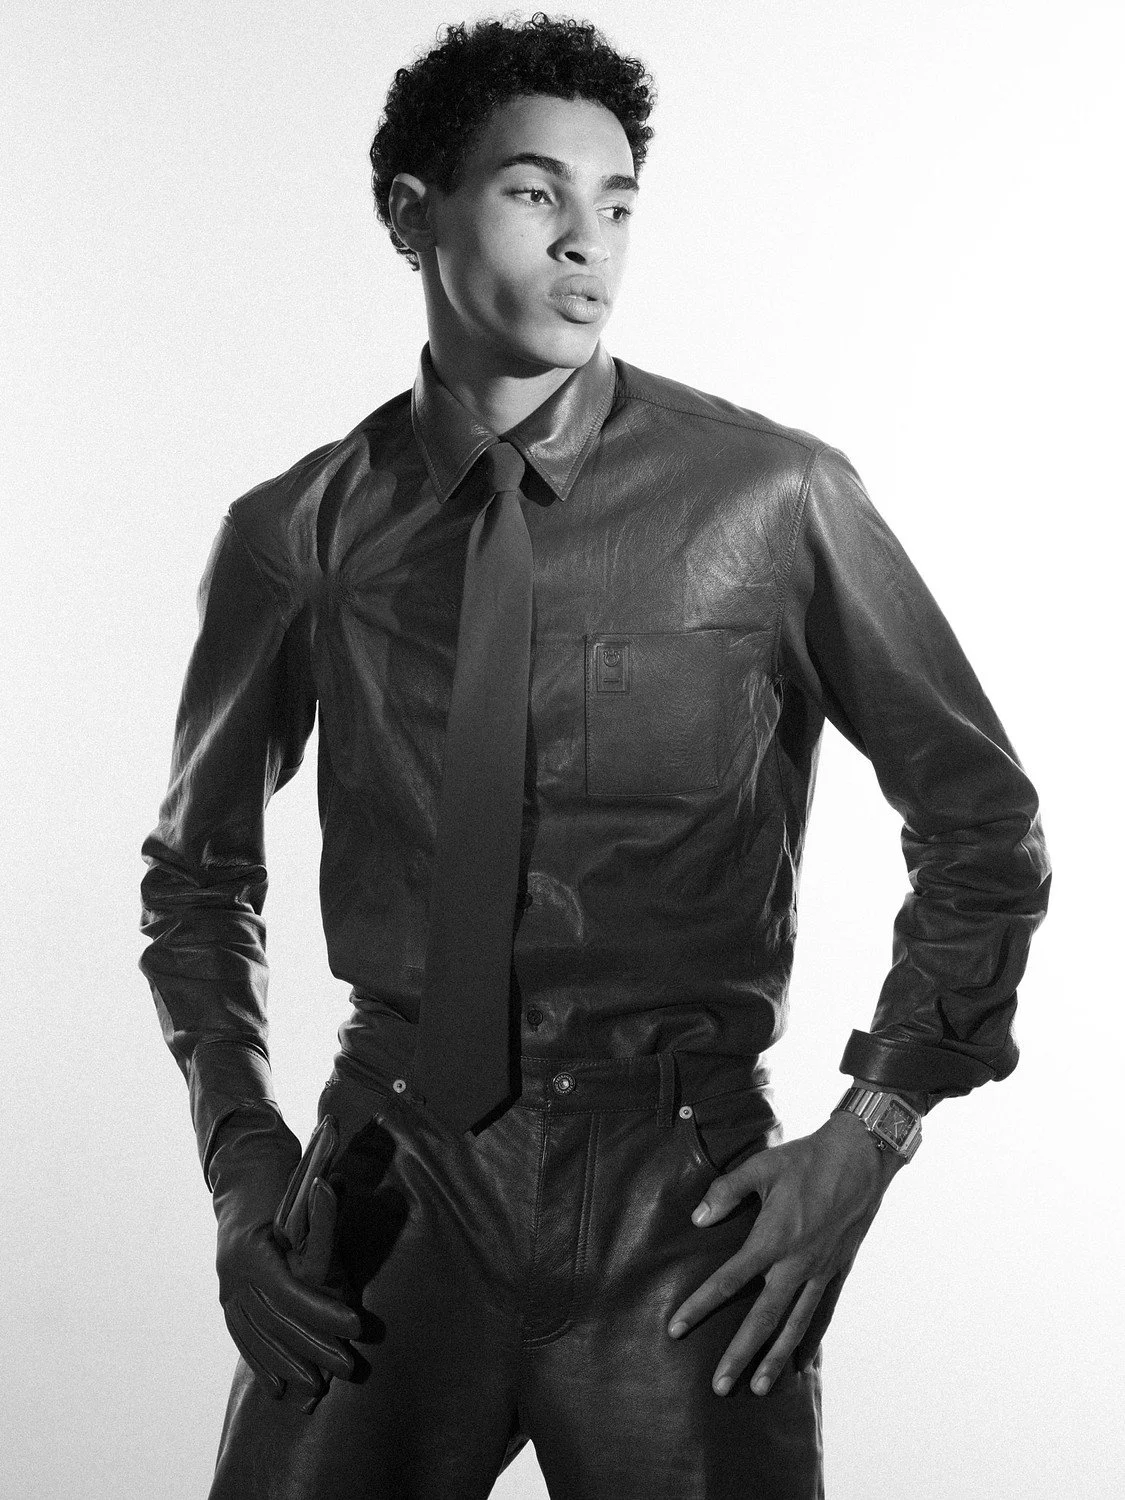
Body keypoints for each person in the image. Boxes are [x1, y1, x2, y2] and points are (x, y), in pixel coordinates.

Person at [138, 15, 1051, 1499]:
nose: (588, 243)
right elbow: (195, 881)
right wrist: (246, 1174)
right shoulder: (297, 534)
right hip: (388, 1187)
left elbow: (984, 827)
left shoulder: (776, 500)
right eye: (535, 193)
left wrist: (873, 1131)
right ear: (412, 213)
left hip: (684, 1201)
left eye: (617, 203)